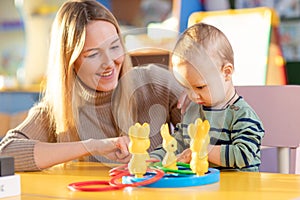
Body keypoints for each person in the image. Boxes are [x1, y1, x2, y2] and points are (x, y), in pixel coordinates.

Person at [0, 0, 183, 172]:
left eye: (114, 47)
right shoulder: (55, 112)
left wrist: (205, 99)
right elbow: (5, 152)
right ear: (70, 62)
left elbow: (205, 134)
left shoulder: (156, 84)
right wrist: (91, 146)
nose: (109, 63)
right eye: (93, 54)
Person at [150, 23, 265, 171]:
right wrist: (156, 157)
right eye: (186, 87)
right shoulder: (193, 110)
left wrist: (202, 149)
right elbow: (177, 142)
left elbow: (244, 154)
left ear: (227, 73)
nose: (192, 95)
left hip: (238, 190)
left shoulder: (242, 114)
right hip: (203, 188)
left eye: (199, 87)